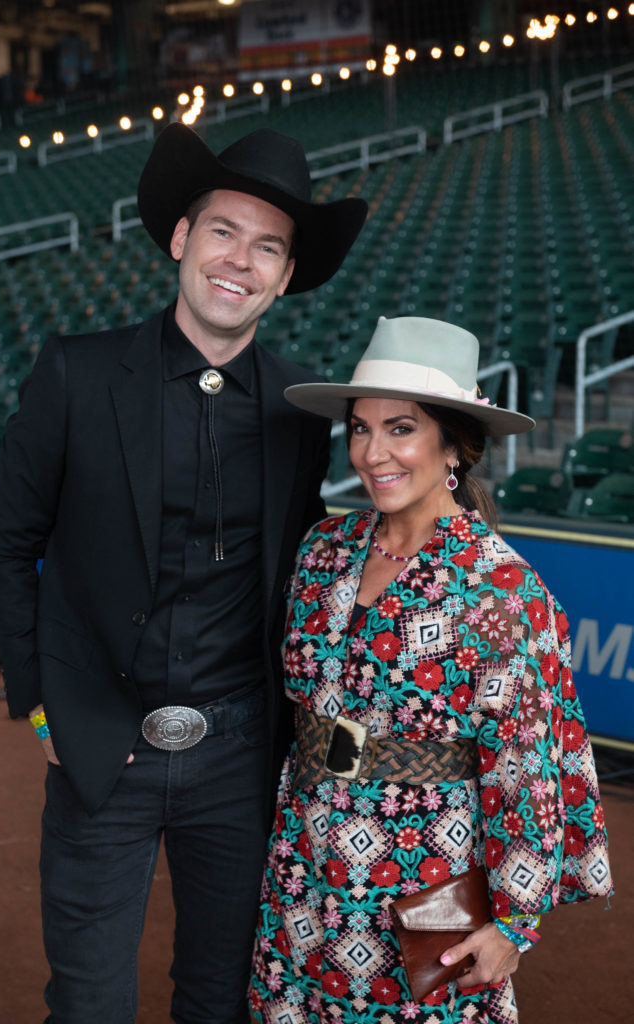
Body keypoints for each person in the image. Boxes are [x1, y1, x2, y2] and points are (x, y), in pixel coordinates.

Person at [0, 124, 367, 1024]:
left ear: (286, 272)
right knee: (87, 1002)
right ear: (181, 240)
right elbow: (5, 546)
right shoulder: (75, 372)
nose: (241, 260)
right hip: (96, 742)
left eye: (268, 246)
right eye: (223, 231)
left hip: (238, 754)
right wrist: (39, 702)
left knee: (222, 999)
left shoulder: (305, 406)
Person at [248, 316, 613, 1024]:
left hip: (422, 880)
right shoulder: (325, 548)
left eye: (401, 428)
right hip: (303, 866)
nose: (371, 452)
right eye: (359, 427)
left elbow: (526, 766)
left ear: (454, 444)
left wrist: (514, 925)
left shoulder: (502, 589)